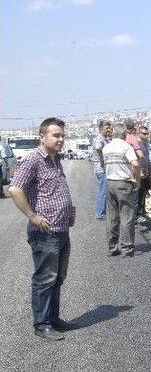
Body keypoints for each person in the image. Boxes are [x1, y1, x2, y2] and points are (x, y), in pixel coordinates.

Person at [8, 117, 77, 340]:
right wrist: (32, 215)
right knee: (45, 279)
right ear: (42, 136)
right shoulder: (33, 160)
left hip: (61, 229)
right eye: (56, 135)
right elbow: (15, 189)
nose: (61, 139)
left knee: (58, 278)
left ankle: (53, 318)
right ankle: (42, 324)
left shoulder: (54, 160)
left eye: (62, 135)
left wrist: (69, 212)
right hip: (45, 233)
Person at [103, 123, 141, 257]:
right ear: (125, 135)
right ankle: (127, 248)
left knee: (112, 217)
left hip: (110, 183)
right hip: (124, 183)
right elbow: (135, 163)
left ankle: (112, 247)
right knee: (127, 216)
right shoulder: (126, 147)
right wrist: (137, 180)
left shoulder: (106, 148)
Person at [91, 121, 112, 220]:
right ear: (101, 129)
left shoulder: (105, 139)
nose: (109, 129)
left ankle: (103, 212)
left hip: (103, 167)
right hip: (101, 168)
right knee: (102, 191)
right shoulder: (99, 138)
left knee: (104, 190)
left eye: (109, 127)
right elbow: (98, 147)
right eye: (107, 127)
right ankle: (100, 214)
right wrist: (103, 159)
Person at [135, 125, 151, 219]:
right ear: (139, 133)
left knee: (143, 193)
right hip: (140, 173)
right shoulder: (137, 144)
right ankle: (138, 214)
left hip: (147, 172)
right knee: (139, 194)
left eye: (147, 134)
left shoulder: (146, 144)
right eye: (144, 134)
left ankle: (142, 211)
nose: (146, 136)